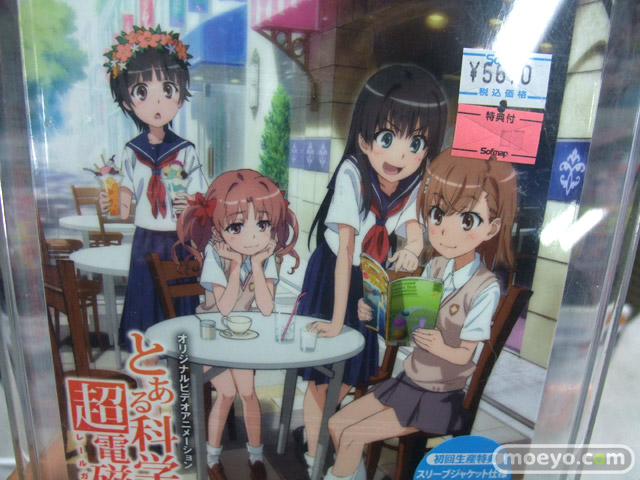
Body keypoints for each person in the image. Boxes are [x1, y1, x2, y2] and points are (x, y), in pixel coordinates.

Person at [325, 150, 518, 479]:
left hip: (439, 398)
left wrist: (440, 346)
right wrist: (376, 313)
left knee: (353, 435)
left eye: (467, 221)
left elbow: (465, 356)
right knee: (336, 423)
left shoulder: (485, 288)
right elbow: (407, 323)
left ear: (492, 228)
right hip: (408, 383)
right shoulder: (436, 266)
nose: (446, 231)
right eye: (438, 215)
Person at [296, 65, 448, 476]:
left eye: (416, 143)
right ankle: (314, 456)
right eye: (387, 138)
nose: (400, 155)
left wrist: (412, 250)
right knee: (322, 377)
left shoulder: (414, 182)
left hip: (368, 283)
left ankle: (325, 444)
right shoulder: (352, 172)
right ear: (364, 138)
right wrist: (334, 321)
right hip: (333, 276)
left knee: (349, 376)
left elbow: (414, 229)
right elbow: (347, 247)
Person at [176, 169, 300, 480]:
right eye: (236, 226)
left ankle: (256, 457)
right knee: (229, 392)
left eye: (262, 225)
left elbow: (267, 308)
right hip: (209, 338)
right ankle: (212, 459)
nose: (252, 236)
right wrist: (234, 265)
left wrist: (257, 264)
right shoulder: (214, 255)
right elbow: (224, 307)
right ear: (218, 227)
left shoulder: (264, 256)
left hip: (242, 338)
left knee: (247, 392)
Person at [100, 26, 208, 351]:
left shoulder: (185, 151)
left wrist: (191, 205)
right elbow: (124, 205)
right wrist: (111, 204)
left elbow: (202, 201)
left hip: (178, 240)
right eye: (142, 91)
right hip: (145, 240)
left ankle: (181, 362)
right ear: (128, 101)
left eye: (168, 89)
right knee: (145, 305)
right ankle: (146, 366)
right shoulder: (131, 152)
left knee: (180, 309)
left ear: (180, 96)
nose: (157, 101)